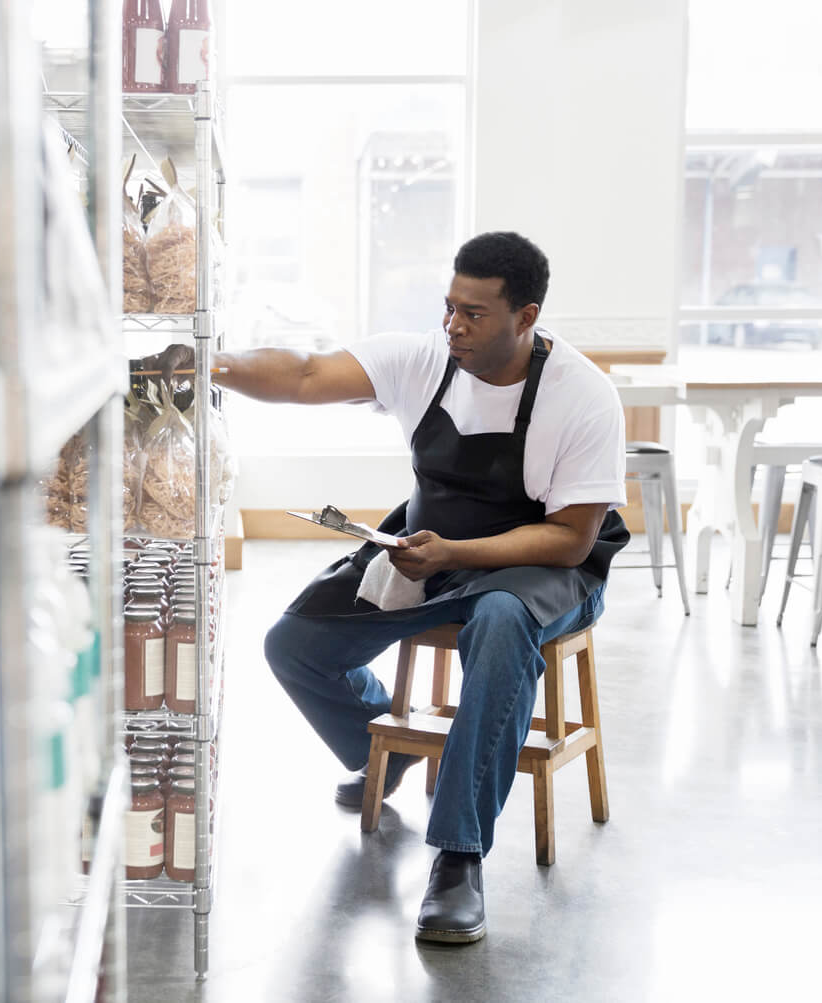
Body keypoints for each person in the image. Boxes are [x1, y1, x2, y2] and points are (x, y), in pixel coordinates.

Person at [146, 231, 628, 944]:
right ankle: (388, 746)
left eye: (475, 314)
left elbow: (569, 537)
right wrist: (208, 364)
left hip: (545, 569)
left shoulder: (582, 395)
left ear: (526, 317)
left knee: (497, 620)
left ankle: (458, 859)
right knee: (295, 643)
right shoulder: (426, 360)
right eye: (449, 307)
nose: (453, 326)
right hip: (433, 548)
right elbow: (306, 375)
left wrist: (455, 554)